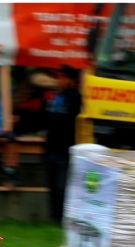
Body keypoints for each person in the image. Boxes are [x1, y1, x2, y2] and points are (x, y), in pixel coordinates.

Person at [45, 65, 82, 224]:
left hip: (65, 151)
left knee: (62, 187)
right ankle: (53, 218)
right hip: (52, 149)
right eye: (57, 78)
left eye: (62, 78)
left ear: (71, 80)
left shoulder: (76, 99)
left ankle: (62, 219)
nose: (58, 81)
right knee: (53, 187)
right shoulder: (55, 98)